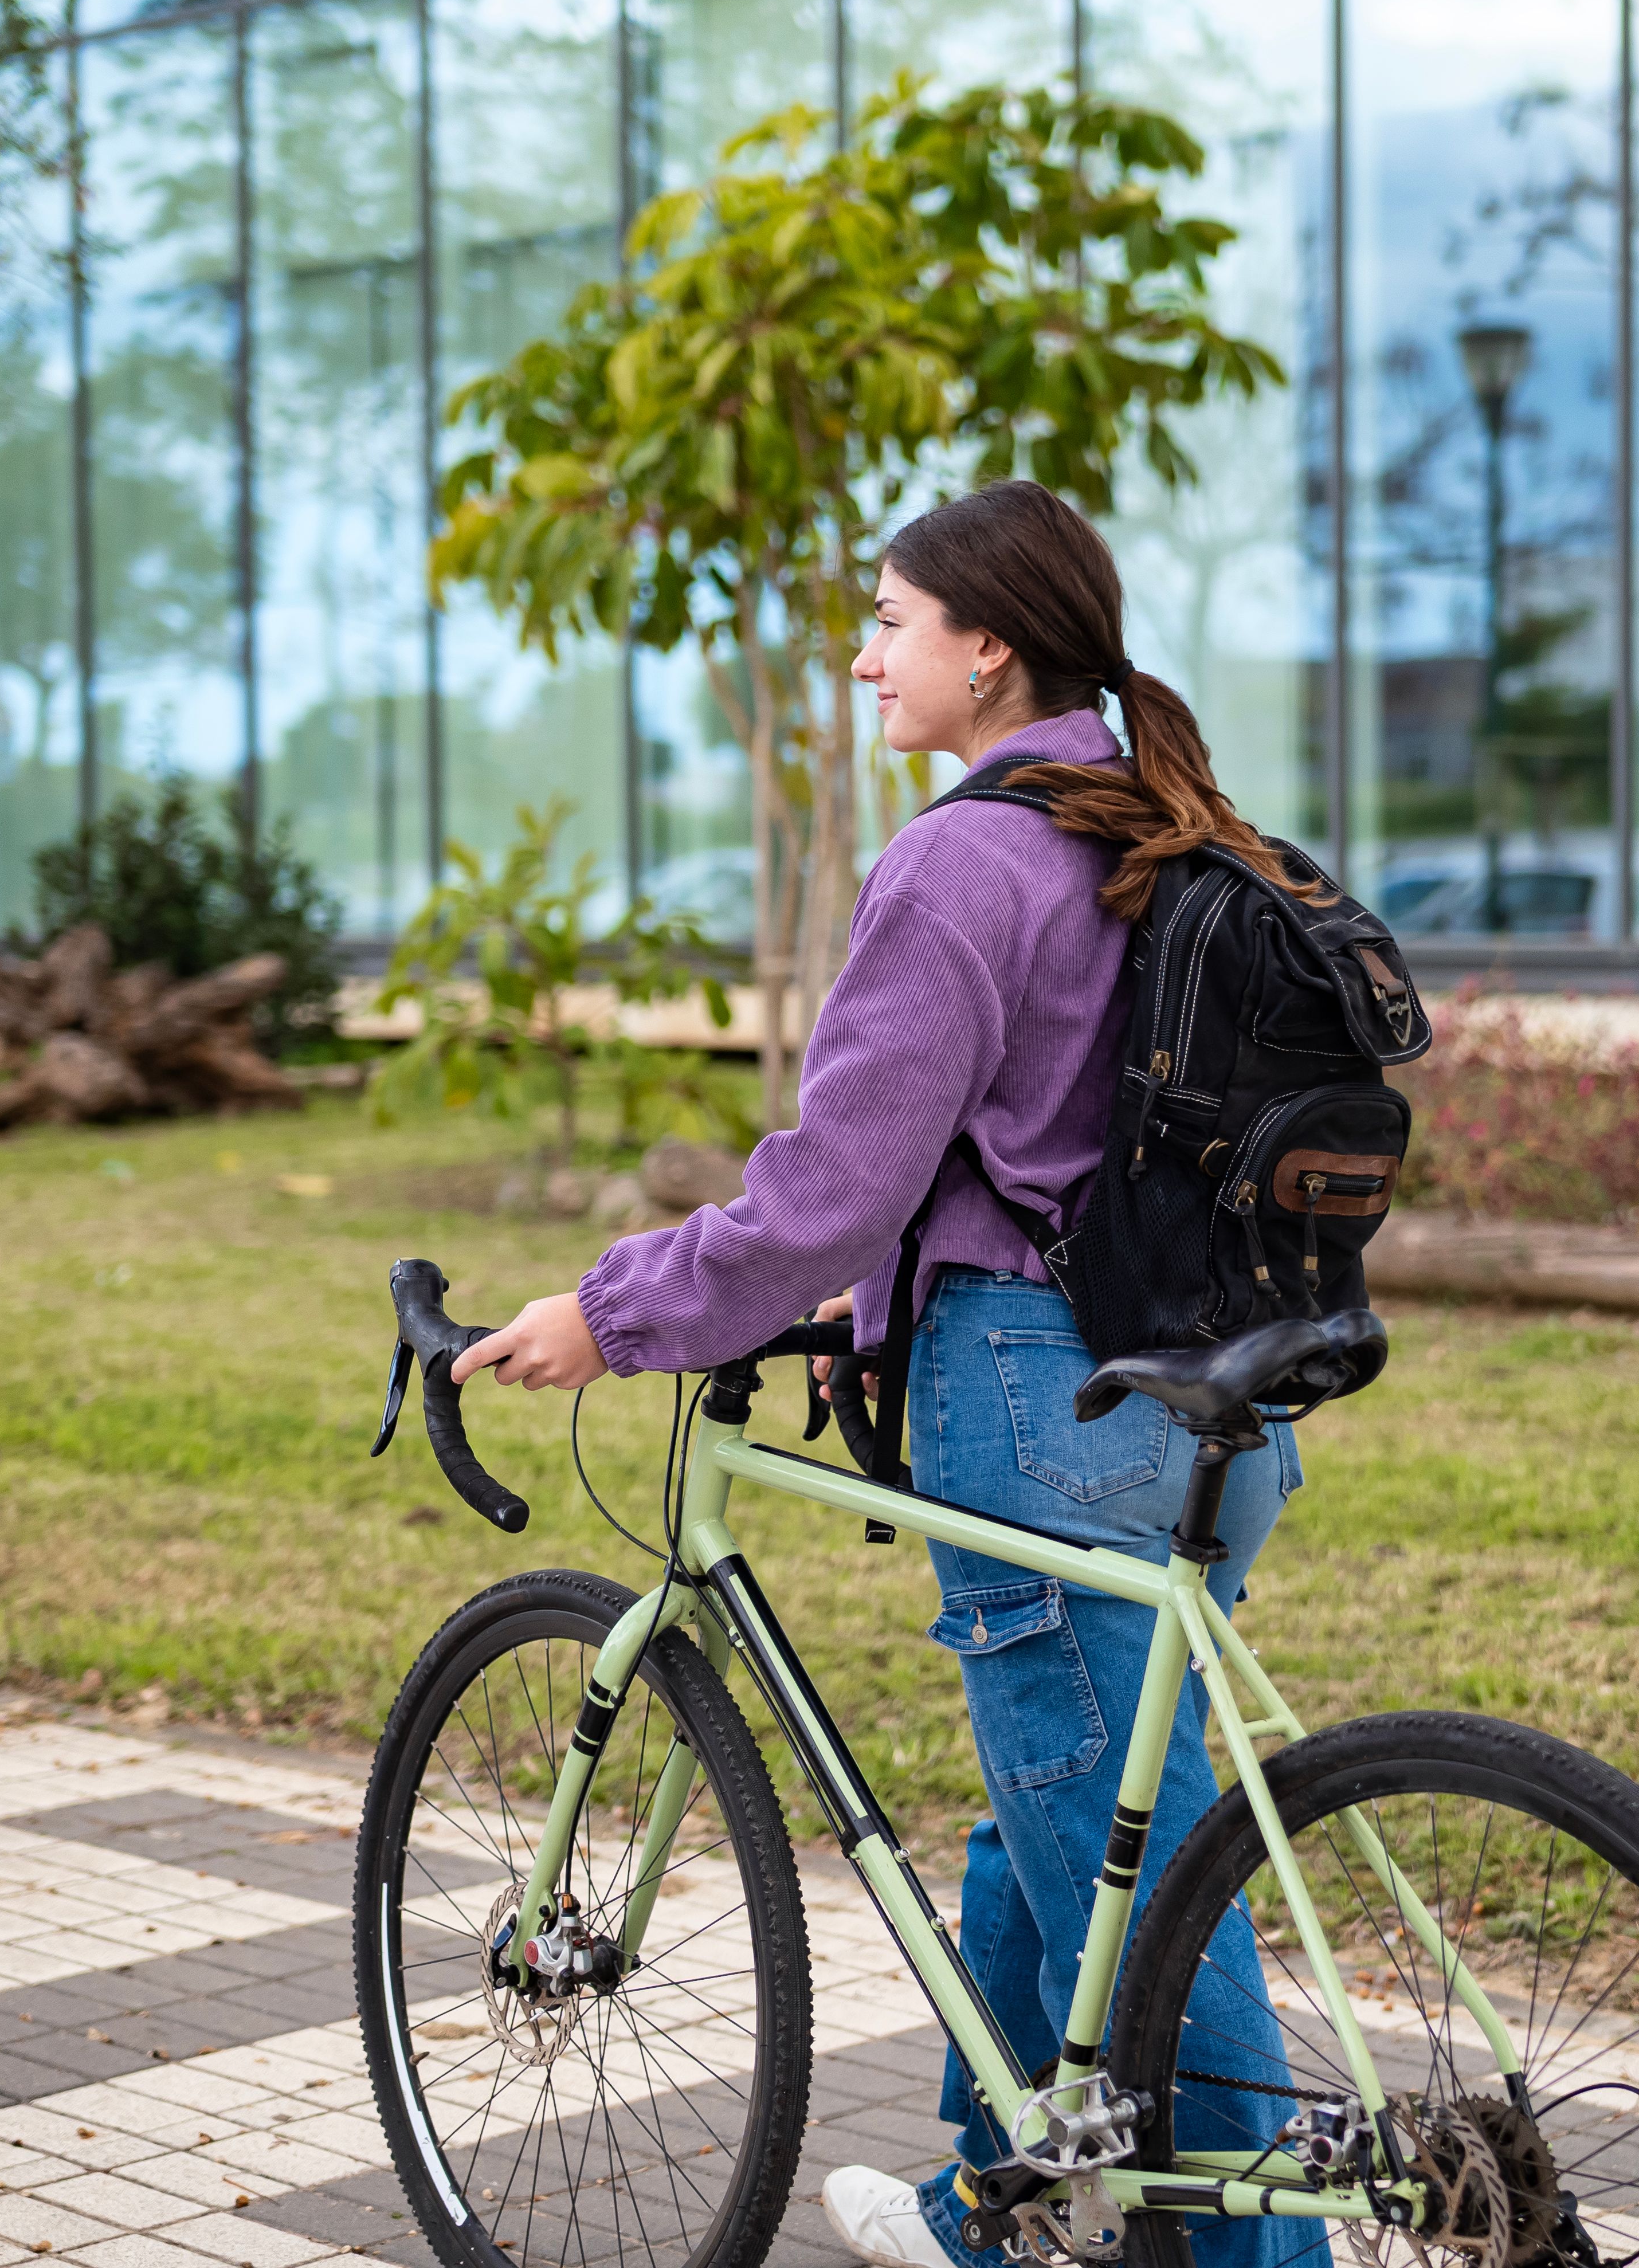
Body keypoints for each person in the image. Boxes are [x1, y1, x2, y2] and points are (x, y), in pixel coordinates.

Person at [451, 478, 1309, 2268]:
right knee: (1064, 1806)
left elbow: (832, 1188)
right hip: (1220, 1403)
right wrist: (882, 1294)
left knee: (1131, 1881)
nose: (862, 657)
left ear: (989, 646)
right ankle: (986, 2218)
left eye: (890, 622)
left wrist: (610, 1314)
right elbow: (1058, 1143)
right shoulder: (1171, 825)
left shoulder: (964, 857)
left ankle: (1270, 2245)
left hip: (1041, 1406)